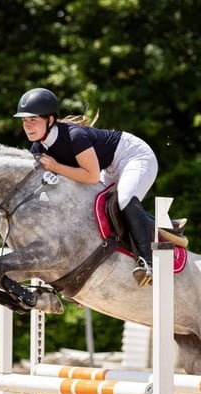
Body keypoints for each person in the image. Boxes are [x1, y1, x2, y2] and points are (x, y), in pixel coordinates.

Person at [13, 87, 159, 287]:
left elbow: (90, 177)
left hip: (134, 156)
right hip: (108, 167)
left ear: (50, 120)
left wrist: (55, 167)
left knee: (124, 198)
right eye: (24, 121)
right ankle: (161, 225)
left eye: (33, 120)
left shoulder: (75, 136)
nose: (28, 126)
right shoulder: (38, 147)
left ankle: (148, 261)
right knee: (93, 207)